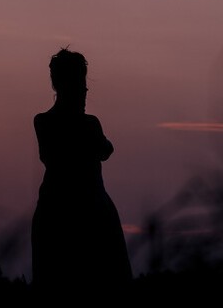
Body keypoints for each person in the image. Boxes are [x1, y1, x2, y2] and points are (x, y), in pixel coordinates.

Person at [32, 48, 133, 301]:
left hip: (68, 211)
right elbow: (104, 149)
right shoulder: (80, 124)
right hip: (82, 213)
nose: (85, 91)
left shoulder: (47, 122)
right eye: (80, 83)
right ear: (65, 85)